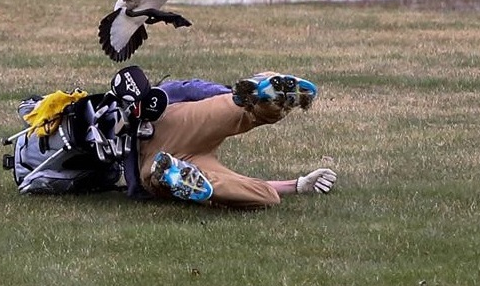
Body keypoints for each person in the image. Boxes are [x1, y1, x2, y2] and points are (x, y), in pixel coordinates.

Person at [131, 72, 337, 210]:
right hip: (160, 159)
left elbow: (183, 90)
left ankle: (263, 96)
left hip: (166, 130)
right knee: (266, 195)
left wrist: (299, 185)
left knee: (267, 196)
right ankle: (178, 175)